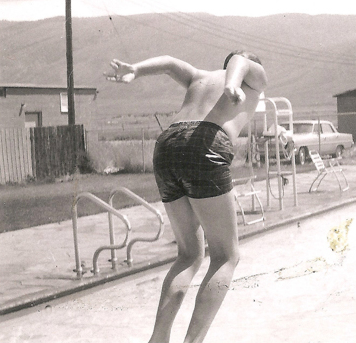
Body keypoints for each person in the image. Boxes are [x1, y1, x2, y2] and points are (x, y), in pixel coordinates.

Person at [106, 51, 267, 343]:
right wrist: (233, 84)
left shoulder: (199, 76)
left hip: (167, 144)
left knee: (189, 255)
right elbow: (240, 62)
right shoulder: (252, 79)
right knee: (226, 257)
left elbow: (168, 63)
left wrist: (135, 69)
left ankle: (158, 338)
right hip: (205, 143)